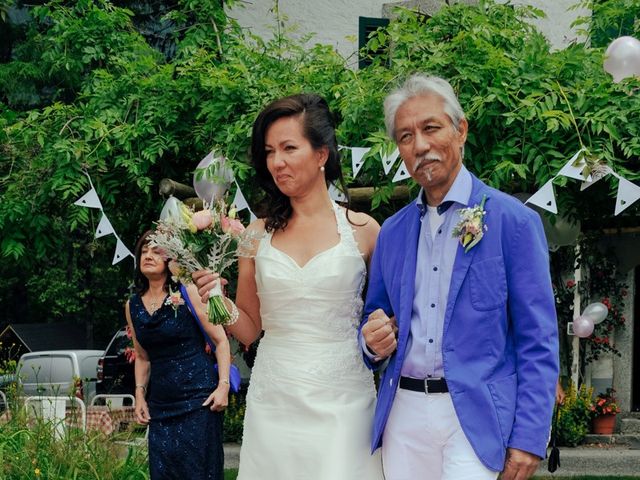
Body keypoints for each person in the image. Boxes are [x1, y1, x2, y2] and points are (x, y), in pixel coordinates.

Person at [360, 74, 559, 480]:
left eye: (430, 128)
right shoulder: (392, 232)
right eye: (405, 136)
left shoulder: (513, 222)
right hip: (405, 416)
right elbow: (373, 320)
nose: (420, 145)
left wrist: (529, 438)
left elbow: (538, 340)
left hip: (477, 416)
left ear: (460, 129)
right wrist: (372, 342)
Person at [193, 93, 384, 479]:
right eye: (269, 151)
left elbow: (384, 316)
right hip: (275, 396)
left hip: (344, 395)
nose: (277, 162)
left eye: (288, 148)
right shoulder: (254, 235)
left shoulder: (365, 231)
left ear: (321, 154)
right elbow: (249, 327)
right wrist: (217, 300)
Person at [126, 230, 231, 480]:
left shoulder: (188, 292)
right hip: (161, 405)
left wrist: (223, 386)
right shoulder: (132, 305)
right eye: (144, 251)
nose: (148, 255)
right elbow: (142, 357)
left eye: (155, 251)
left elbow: (220, 341)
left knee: (198, 472)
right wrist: (140, 395)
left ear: (170, 259)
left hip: (198, 400)